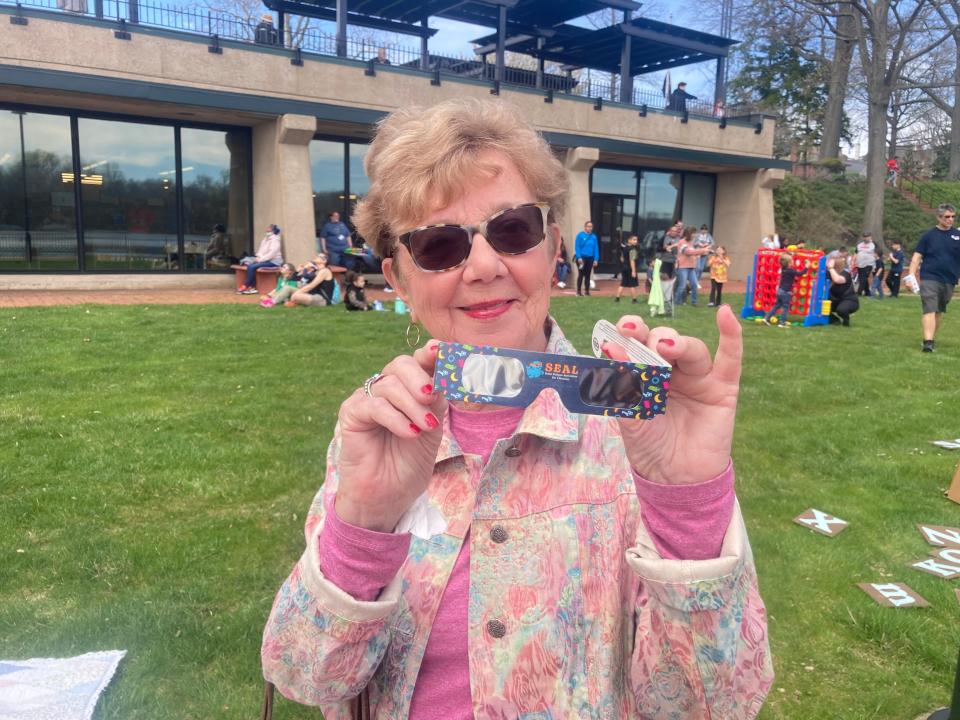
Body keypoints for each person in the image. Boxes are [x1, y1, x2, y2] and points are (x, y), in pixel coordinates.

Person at [261, 97, 772, 719]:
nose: (483, 266)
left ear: (552, 247)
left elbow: (712, 704)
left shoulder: (639, 428)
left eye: (513, 231)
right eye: (440, 245)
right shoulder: (377, 431)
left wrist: (687, 503)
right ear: (397, 280)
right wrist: (364, 524)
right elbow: (305, 677)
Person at [907, 203, 960, 352]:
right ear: (939, 217)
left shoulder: (958, 235)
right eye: (947, 217)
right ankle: (928, 342)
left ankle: (931, 338)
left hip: (949, 279)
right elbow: (917, 257)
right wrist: (911, 276)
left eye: (953, 217)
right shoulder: (928, 236)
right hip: (930, 277)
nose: (950, 219)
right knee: (929, 308)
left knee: (938, 311)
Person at [763, 253, 808, 326]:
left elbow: (785, 261)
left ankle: (766, 318)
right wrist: (806, 267)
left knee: (776, 305)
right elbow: (800, 274)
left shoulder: (783, 269)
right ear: (789, 263)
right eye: (792, 261)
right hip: (786, 292)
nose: (793, 261)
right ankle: (782, 323)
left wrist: (792, 255)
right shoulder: (791, 271)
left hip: (780, 291)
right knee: (785, 307)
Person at [238, 224, 283, 294]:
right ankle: (252, 287)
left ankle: (247, 285)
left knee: (252, 266)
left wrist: (260, 260)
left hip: (273, 262)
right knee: (247, 263)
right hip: (264, 260)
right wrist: (258, 257)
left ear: (273, 231)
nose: (266, 230)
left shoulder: (275, 240)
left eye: (269, 229)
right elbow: (260, 251)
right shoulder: (265, 239)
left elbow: (271, 254)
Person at [673, 225, 709, 307]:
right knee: (682, 286)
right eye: (693, 233)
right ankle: (677, 302)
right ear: (689, 234)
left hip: (691, 267)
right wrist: (702, 250)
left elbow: (692, 253)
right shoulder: (681, 242)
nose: (695, 235)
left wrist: (699, 254)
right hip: (682, 267)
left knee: (694, 284)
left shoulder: (690, 243)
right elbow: (687, 252)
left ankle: (694, 302)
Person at [826, 252, 859, 326]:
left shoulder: (845, 274)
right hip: (834, 300)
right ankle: (835, 321)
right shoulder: (827, 273)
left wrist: (831, 269)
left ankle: (846, 321)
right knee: (820, 307)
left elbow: (837, 280)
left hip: (849, 300)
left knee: (841, 310)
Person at [574, 219, 598, 296]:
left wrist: (596, 259)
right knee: (581, 274)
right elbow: (577, 247)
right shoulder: (580, 235)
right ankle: (578, 291)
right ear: (585, 227)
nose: (590, 228)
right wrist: (579, 257)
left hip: (590, 258)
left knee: (588, 275)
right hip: (582, 258)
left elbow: (596, 248)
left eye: (591, 227)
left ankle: (587, 291)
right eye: (588, 226)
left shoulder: (594, 237)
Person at [614, 234, 640, 303]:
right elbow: (632, 260)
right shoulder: (633, 249)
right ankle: (634, 300)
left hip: (624, 268)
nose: (635, 241)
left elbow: (621, 258)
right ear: (629, 240)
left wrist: (624, 264)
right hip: (630, 269)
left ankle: (617, 298)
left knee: (623, 283)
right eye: (634, 240)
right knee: (632, 284)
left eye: (636, 240)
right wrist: (633, 271)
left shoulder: (625, 248)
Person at [855, 231, 876, 297]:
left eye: (867, 237)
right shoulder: (860, 245)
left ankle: (859, 292)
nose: (866, 238)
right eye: (864, 237)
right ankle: (867, 292)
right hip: (860, 264)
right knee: (863, 278)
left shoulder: (874, 244)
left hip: (868, 264)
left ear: (870, 237)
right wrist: (854, 261)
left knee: (863, 278)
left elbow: (878, 253)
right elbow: (856, 253)